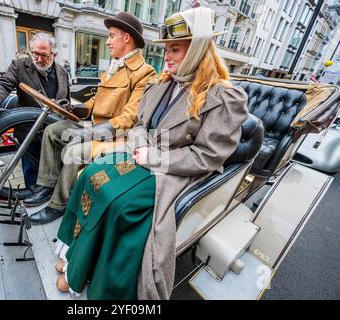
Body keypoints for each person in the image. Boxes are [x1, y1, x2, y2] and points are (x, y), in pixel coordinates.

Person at [53, 7, 249, 299]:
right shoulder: (164, 83)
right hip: (142, 155)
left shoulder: (225, 97)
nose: (167, 56)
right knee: (92, 174)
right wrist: (140, 146)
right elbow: (140, 125)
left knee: (119, 205)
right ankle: (75, 259)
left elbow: (208, 156)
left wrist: (154, 157)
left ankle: (95, 278)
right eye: (167, 49)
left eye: (175, 49)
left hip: (176, 172)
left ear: (197, 51)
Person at [24, 12, 156, 225]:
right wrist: (75, 109)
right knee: (52, 130)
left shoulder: (145, 72)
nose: (108, 41)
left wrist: (90, 132)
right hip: (95, 125)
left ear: (126, 38)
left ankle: (58, 204)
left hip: (117, 135)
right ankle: (47, 187)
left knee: (74, 151)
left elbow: (130, 117)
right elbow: (95, 102)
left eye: (111, 36)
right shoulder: (114, 66)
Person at [0, 32, 71, 189]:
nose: (39, 59)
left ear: (54, 54)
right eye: (35, 53)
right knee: (31, 172)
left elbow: (66, 101)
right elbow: (2, 83)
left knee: (53, 172)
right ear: (31, 50)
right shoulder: (19, 66)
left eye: (44, 55)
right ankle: (32, 201)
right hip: (30, 135)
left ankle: (49, 197)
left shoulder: (62, 72)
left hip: (55, 135)